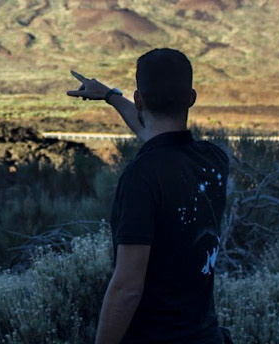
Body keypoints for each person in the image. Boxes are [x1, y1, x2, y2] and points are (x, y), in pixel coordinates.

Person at [67, 48, 231, 344]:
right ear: (191, 98)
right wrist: (110, 96)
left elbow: (127, 287)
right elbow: (156, 136)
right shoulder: (215, 160)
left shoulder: (141, 177)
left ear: (139, 99)